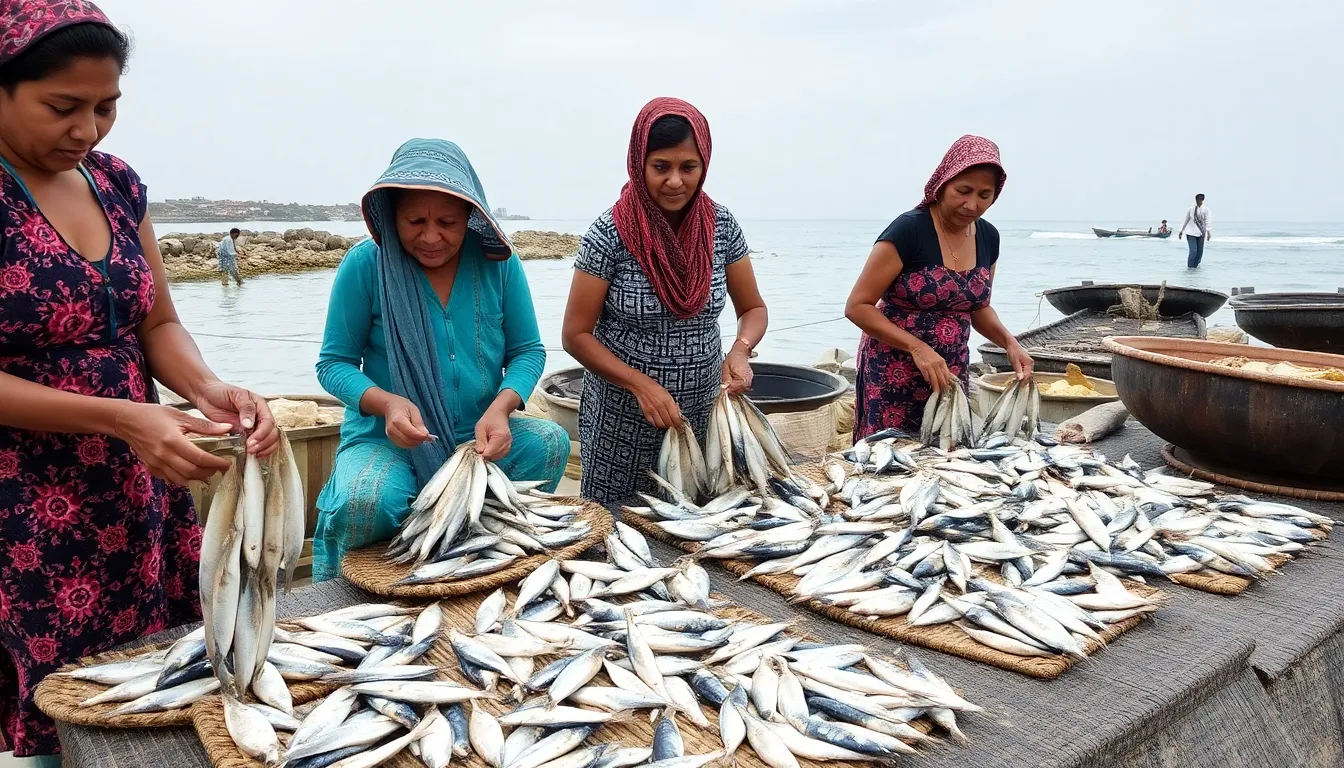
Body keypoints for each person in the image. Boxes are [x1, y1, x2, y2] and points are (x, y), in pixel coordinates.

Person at [0, 3, 278, 763]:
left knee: (163, 669)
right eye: (63, 107)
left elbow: (155, 324)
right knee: (59, 698)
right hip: (26, 503)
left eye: (106, 106)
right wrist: (122, 419)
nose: (88, 129)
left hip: (139, 482)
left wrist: (209, 388)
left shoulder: (117, 184)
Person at [311, 138, 569, 581]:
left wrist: (501, 408)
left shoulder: (498, 263)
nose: (431, 237)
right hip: (386, 439)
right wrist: (386, 403)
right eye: (415, 221)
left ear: (471, 215)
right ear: (392, 215)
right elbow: (333, 364)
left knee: (548, 442)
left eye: (447, 222)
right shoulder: (365, 265)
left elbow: (528, 351)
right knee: (366, 499)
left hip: (476, 436)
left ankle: (480, 559)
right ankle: (361, 586)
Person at [562, 98, 767, 504]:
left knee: (697, 523)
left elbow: (753, 309)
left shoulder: (722, 227)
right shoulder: (610, 233)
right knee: (615, 526)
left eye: (688, 167)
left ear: (703, 165)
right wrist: (639, 385)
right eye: (661, 167)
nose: (675, 181)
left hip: (703, 415)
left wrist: (741, 350)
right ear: (639, 164)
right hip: (622, 421)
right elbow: (576, 334)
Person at [845, 135, 1033, 440]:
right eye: (963, 191)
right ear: (942, 183)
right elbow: (857, 306)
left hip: (950, 369)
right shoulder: (909, 230)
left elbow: (978, 307)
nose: (972, 204)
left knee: (944, 453)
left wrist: (1010, 343)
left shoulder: (988, 237)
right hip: (893, 369)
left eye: (985, 195)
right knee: (886, 459)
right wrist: (917, 348)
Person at [1179, 193, 1211, 268]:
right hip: (1190, 233)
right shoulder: (1191, 209)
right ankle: (1190, 268)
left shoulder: (1205, 210)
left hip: (1201, 233)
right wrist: (1181, 231)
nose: (1199, 201)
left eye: (1200, 200)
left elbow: (1208, 221)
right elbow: (1186, 220)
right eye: (1197, 200)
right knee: (1193, 251)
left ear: (1203, 200)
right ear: (1196, 200)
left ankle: (1195, 268)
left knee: (1199, 253)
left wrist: (1209, 232)